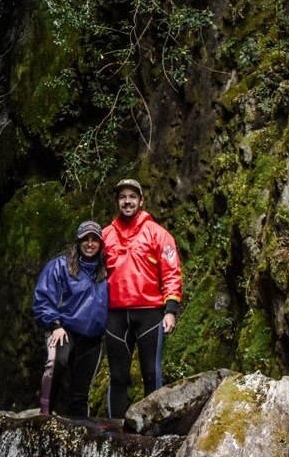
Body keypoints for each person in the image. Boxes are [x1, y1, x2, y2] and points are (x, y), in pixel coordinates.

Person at [102, 178, 182, 418]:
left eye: (132, 197)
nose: (127, 201)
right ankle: (114, 434)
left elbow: (171, 272)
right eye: (123, 197)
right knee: (117, 376)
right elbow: (93, 276)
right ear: (117, 202)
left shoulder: (159, 234)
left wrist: (170, 310)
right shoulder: (105, 235)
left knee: (151, 373)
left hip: (149, 313)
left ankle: (151, 434)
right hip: (115, 315)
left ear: (141, 201)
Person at [32, 220, 108, 417]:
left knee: (82, 390)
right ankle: (45, 413)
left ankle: (78, 429)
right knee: (57, 363)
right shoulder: (59, 266)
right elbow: (43, 298)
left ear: (100, 244)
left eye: (94, 240)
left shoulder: (106, 270)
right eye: (85, 239)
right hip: (63, 329)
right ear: (78, 242)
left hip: (92, 337)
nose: (90, 244)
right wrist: (55, 324)